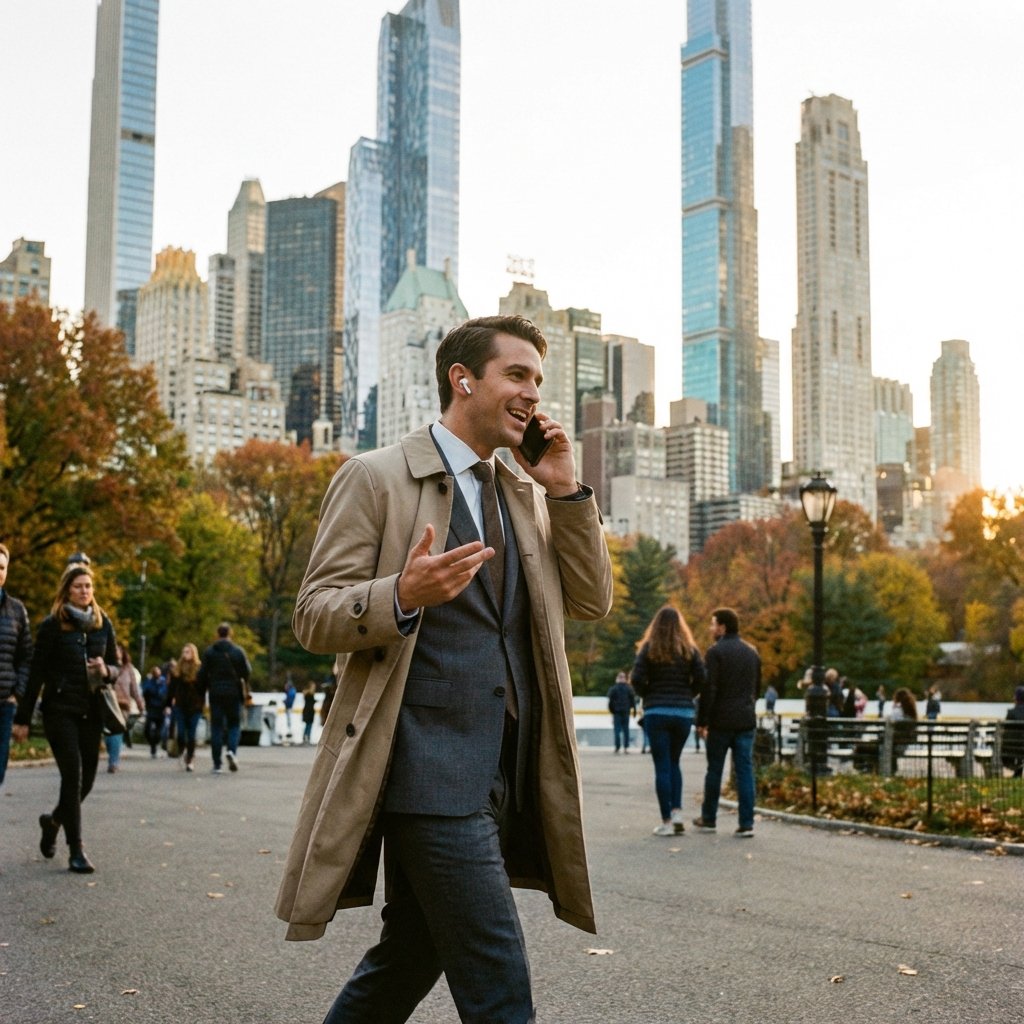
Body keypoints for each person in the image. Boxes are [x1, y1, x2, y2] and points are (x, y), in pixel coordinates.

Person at [276, 313, 613, 1024]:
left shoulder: (524, 491)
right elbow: (313, 614)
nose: (532, 394)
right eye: (516, 375)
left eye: (537, 380)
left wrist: (566, 492)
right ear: (464, 380)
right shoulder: (375, 478)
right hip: (426, 774)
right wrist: (400, 594)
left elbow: (591, 599)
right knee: (496, 974)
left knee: (410, 956)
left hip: (507, 769)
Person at [13, 562, 117, 873]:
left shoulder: (103, 623)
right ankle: (77, 850)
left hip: (92, 711)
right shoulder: (53, 625)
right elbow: (36, 674)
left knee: (87, 782)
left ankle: (54, 820)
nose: (84, 591)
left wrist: (105, 670)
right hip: (60, 711)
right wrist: (23, 719)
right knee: (72, 777)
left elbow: (115, 666)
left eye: (88, 586)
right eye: (78, 586)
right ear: (66, 591)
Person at [630, 606, 705, 836]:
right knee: (674, 762)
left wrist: (648, 694)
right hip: (683, 714)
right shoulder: (689, 650)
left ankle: (667, 822)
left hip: (657, 712)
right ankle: (677, 812)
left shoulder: (649, 648)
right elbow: (702, 678)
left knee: (662, 765)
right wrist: (687, 695)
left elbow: (636, 679)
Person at [692, 607, 761, 838]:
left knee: (714, 770)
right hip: (745, 720)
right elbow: (756, 688)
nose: (711, 629)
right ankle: (747, 822)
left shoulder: (715, 652)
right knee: (745, 771)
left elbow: (709, 689)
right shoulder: (752, 653)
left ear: (722, 627)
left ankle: (709, 818)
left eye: (713, 624)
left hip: (721, 721)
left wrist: (702, 721)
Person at [197, 623, 251, 774]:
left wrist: (204, 689)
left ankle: (217, 764)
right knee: (234, 725)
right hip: (234, 693)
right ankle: (231, 751)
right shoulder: (238, 652)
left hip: (215, 693)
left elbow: (202, 674)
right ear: (230, 634)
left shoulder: (210, 652)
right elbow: (246, 672)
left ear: (217, 634)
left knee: (216, 727)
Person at [0, 543, 33, 789]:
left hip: (4, 702)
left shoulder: (17, 610)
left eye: (2, 568)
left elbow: (26, 657)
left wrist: (16, 693)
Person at [853, 687, 918, 772]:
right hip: (900, 746)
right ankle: (875, 768)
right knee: (871, 745)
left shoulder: (897, 712)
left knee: (860, 746)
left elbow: (888, 724)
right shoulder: (910, 714)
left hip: (889, 746)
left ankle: (864, 769)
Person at [103, 643, 143, 772]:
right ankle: (112, 753)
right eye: (114, 649)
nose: (116, 652)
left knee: (117, 731)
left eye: (119, 650)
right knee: (108, 736)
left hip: (122, 705)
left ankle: (113, 762)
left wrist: (140, 704)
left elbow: (134, 689)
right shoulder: (104, 666)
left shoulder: (128, 668)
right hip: (107, 703)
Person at [167, 644, 204, 771]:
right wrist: (167, 704)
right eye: (184, 651)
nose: (185, 654)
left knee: (192, 734)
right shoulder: (177, 669)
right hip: (180, 705)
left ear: (193, 653)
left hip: (195, 705)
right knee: (181, 733)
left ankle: (190, 758)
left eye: (188, 651)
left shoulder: (200, 669)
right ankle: (182, 749)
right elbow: (171, 689)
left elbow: (203, 688)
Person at [141, 665, 169, 758]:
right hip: (151, 708)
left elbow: (164, 694)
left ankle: (154, 746)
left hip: (161, 709)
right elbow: (145, 691)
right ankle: (152, 744)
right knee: (147, 729)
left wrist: (167, 706)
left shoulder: (163, 682)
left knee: (158, 731)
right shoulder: (149, 682)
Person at [606, 670, 636, 754]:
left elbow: (610, 702)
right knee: (626, 730)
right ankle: (626, 747)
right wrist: (634, 711)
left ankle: (617, 747)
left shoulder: (614, 688)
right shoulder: (629, 688)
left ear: (617, 678)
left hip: (617, 712)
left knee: (617, 730)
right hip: (626, 711)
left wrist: (612, 711)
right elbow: (632, 700)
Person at [1001, 686, 1024, 778]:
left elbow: (1006, 729)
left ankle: (1017, 770)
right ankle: (1018, 771)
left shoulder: (1011, 713)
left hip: (1012, 747)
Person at [283, 675, 297, 741]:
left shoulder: (291, 692)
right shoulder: (291, 692)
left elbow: (289, 701)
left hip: (289, 707)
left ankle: (289, 732)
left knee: (289, 721)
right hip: (289, 707)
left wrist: (285, 703)